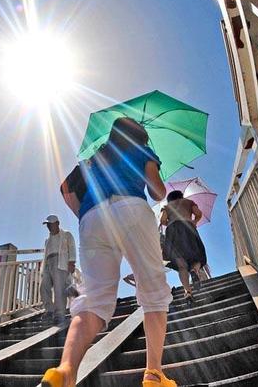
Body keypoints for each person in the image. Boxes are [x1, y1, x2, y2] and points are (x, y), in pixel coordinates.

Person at [42, 117, 175, 387]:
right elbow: (159, 192)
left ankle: (64, 371)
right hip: (132, 208)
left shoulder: (94, 158)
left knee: (93, 298)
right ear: (140, 135)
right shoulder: (142, 151)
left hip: (93, 217)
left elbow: (66, 188)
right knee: (154, 290)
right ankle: (153, 375)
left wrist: (83, 214)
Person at [160, 190, 207, 304]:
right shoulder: (189, 202)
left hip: (173, 231)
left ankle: (188, 292)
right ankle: (194, 271)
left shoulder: (167, 206)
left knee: (181, 265)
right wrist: (194, 221)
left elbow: (162, 220)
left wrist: (170, 223)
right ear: (181, 196)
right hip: (188, 227)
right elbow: (199, 214)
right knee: (197, 256)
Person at [41, 215, 77, 325]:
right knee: (44, 286)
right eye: (47, 224)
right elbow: (45, 254)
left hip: (61, 262)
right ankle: (49, 310)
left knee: (59, 289)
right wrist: (44, 267)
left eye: (50, 224)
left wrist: (71, 262)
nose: (48, 226)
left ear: (57, 223)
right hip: (48, 263)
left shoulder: (66, 235)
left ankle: (60, 314)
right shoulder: (47, 240)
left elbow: (72, 247)